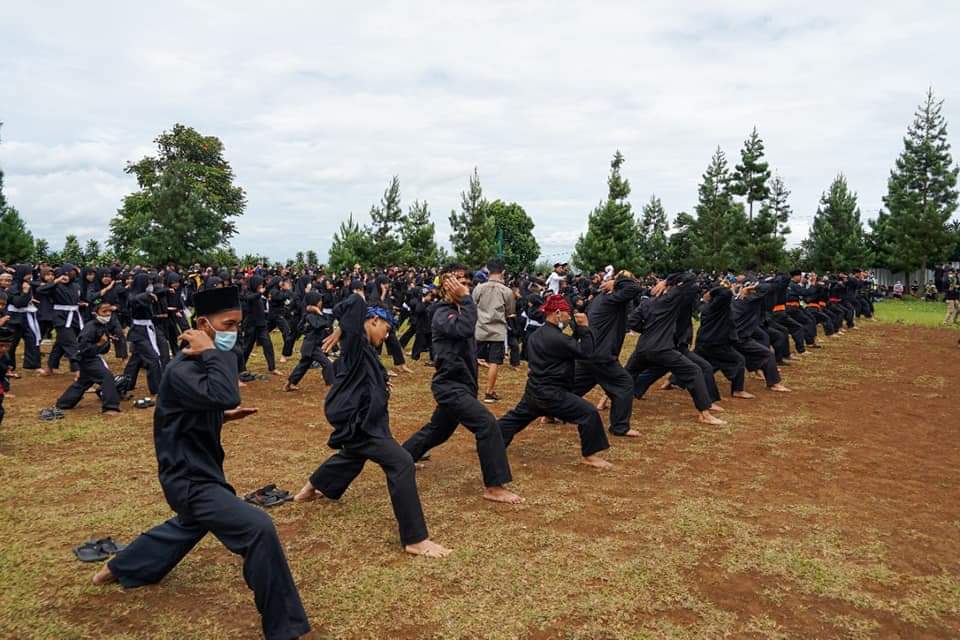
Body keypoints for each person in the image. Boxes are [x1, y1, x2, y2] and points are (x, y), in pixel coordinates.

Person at [93, 286, 312, 640]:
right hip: (188, 480)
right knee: (258, 528)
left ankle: (121, 567)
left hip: (201, 473)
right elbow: (224, 391)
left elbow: (195, 409)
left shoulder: (195, 368)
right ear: (203, 326)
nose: (234, 333)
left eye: (238, 325)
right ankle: (285, 627)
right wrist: (213, 355)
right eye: (227, 324)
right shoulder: (182, 370)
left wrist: (222, 417)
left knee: (191, 524)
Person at [294, 291, 452, 557]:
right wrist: (343, 329)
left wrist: (381, 380)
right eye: (387, 329)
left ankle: (309, 489)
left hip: (364, 421)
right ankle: (415, 539)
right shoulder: (355, 342)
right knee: (401, 462)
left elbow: (367, 376)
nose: (387, 336)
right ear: (373, 321)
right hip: (363, 422)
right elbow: (355, 302)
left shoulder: (365, 350)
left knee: (353, 454)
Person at [401, 265, 523, 504]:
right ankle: (494, 486)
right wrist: (468, 301)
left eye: (468, 283)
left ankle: (402, 457)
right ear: (444, 286)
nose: (464, 287)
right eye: (458, 282)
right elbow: (465, 328)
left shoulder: (461, 308)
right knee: (487, 425)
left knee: (439, 430)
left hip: (464, 383)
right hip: (449, 385)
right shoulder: (440, 312)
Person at [497, 295, 613, 469]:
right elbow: (586, 353)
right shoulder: (557, 338)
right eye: (568, 314)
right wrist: (585, 328)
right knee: (588, 413)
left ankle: (490, 440)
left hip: (535, 389)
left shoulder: (537, 335)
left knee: (515, 419)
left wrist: (577, 331)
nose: (569, 318)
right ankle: (590, 456)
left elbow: (567, 347)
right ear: (558, 313)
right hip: (552, 393)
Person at [55, 299, 121, 416]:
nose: (108, 314)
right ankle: (110, 407)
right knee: (106, 377)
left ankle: (64, 403)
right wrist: (99, 344)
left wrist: (107, 340)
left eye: (109, 311)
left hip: (92, 357)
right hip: (87, 359)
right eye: (104, 311)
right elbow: (83, 348)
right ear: (96, 313)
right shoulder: (90, 328)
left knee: (83, 382)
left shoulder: (102, 325)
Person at [472, 259, 515, 403]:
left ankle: (470, 390)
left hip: (480, 328)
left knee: (474, 360)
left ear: (488, 271)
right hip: (497, 331)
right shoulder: (507, 291)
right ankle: (489, 392)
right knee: (494, 362)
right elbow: (510, 312)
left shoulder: (479, 288)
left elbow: (472, 305)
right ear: (503, 272)